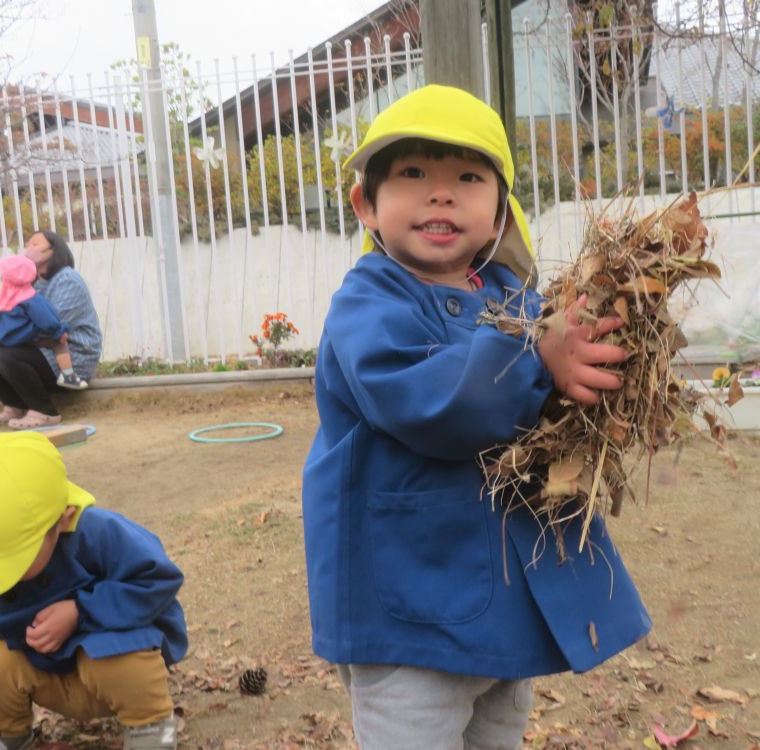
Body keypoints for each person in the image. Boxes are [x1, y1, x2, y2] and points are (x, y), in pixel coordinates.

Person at [302, 84, 652, 749]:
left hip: (504, 597)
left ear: (499, 216)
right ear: (366, 205)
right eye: (412, 174)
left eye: (467, 177)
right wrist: (537, 360)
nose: (441, 193)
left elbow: (552, 392)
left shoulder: (514, 298)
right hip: (409, 608)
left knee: (498, 734)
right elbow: (431, 402)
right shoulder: (367, 305)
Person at [0, 431, 187, 750]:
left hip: (110, 673)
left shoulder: (97, 534)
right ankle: (4, 730)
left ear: (62, 521)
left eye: (13, 560)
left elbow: (157, 579)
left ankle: (150, 727)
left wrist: (81, 611)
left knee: (118, 655)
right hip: (41, 673)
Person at [0, 231, 102, 430]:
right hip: (40, 350)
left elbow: (54, 326)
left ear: (54, 250)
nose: (28, 248)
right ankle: (16, 405)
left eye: (35, 244)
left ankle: (45, 412)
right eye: (27, 244)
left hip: (71, 356)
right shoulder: (31, 283)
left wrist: (6, 339)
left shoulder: (67, 279)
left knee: (7, 354)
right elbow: (11, 317)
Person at [0, 254, 88, 391]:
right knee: (59, 342)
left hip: (4, 340)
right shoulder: (30, 297)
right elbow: (47, 320)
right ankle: (68, 376)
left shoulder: (4, 297)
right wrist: (59, 331)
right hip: (27, 338)